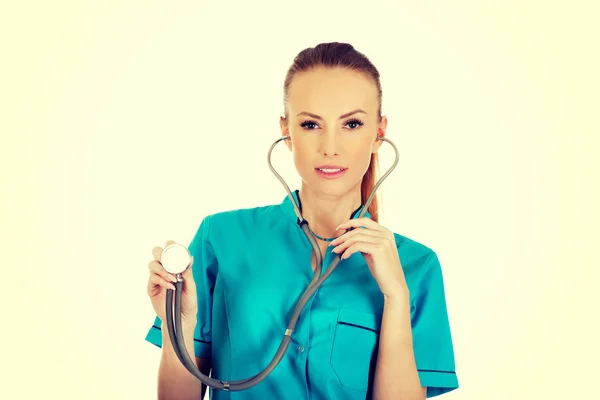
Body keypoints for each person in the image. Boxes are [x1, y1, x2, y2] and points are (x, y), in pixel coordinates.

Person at [145, 42, 459, 400]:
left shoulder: (416, 266)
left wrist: (396, 296)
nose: (330, 147)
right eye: (311, 124)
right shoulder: (220, 238)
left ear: (379, 133)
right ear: (286, 131)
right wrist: (178, 329)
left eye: (352, 124)